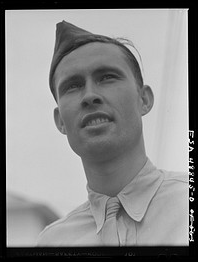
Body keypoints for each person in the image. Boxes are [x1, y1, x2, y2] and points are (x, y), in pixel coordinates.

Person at [36, 20, 188, 246]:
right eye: (72, 86)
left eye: (107, 77)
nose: (89, 96)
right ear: (60, 122)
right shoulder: (52, 243)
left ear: (144, 99)